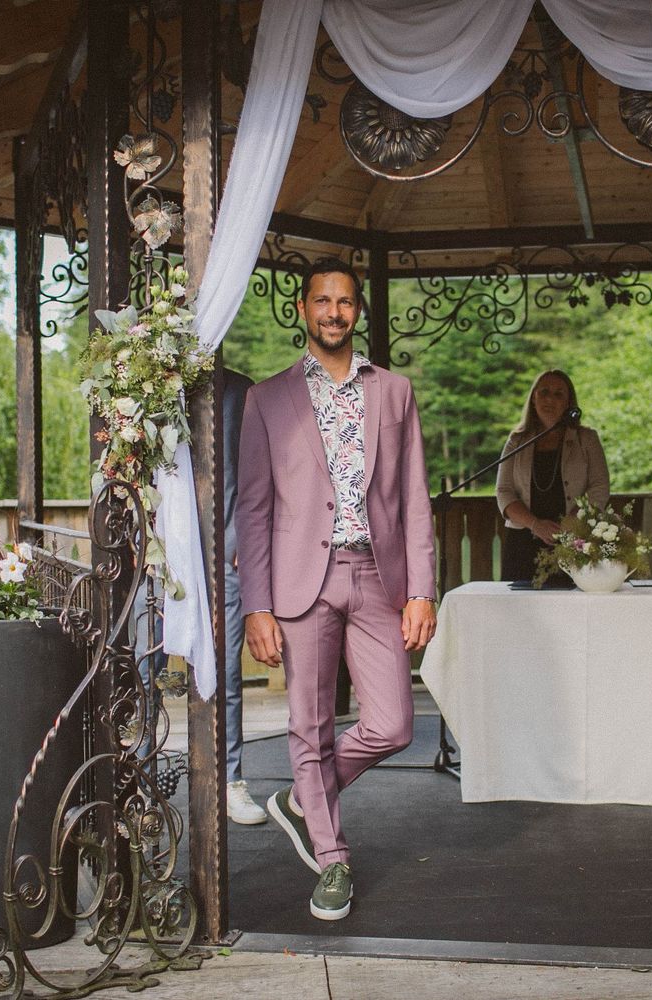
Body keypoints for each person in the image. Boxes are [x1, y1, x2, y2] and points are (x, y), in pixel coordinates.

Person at [237, 257, 437, 922]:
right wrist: (258, 606)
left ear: (358, 311)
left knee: (393, 724)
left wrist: (422, 590)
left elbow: (414, 496)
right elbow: (255, 511)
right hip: (301, 584)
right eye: (321, 300)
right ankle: (332, 860)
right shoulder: (267, 399)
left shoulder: (395, 392)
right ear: (302, 310)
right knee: (309, 724)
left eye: (344, 301)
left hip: (379, 578)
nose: (333, 312)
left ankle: (304, 795)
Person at [134, 367, 266, 825]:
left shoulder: (239, 391)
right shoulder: (139, 382)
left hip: (222, 554)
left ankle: (229, 780)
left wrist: (245, 543)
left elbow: (257, 476)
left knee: (225, 670)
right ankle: (141, 781)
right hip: (154, 555)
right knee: (141, 670)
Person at [495, 370, 610, 581]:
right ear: (533, 398)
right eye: (544, 392)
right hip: (523, 542)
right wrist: (535, 525)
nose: (550, 399)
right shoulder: (517, 441)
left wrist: (572, 522)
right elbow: (504, 492)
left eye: (559, 394)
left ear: (569, 402)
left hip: (574, 541)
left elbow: (599, 488)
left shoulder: (587, 439)